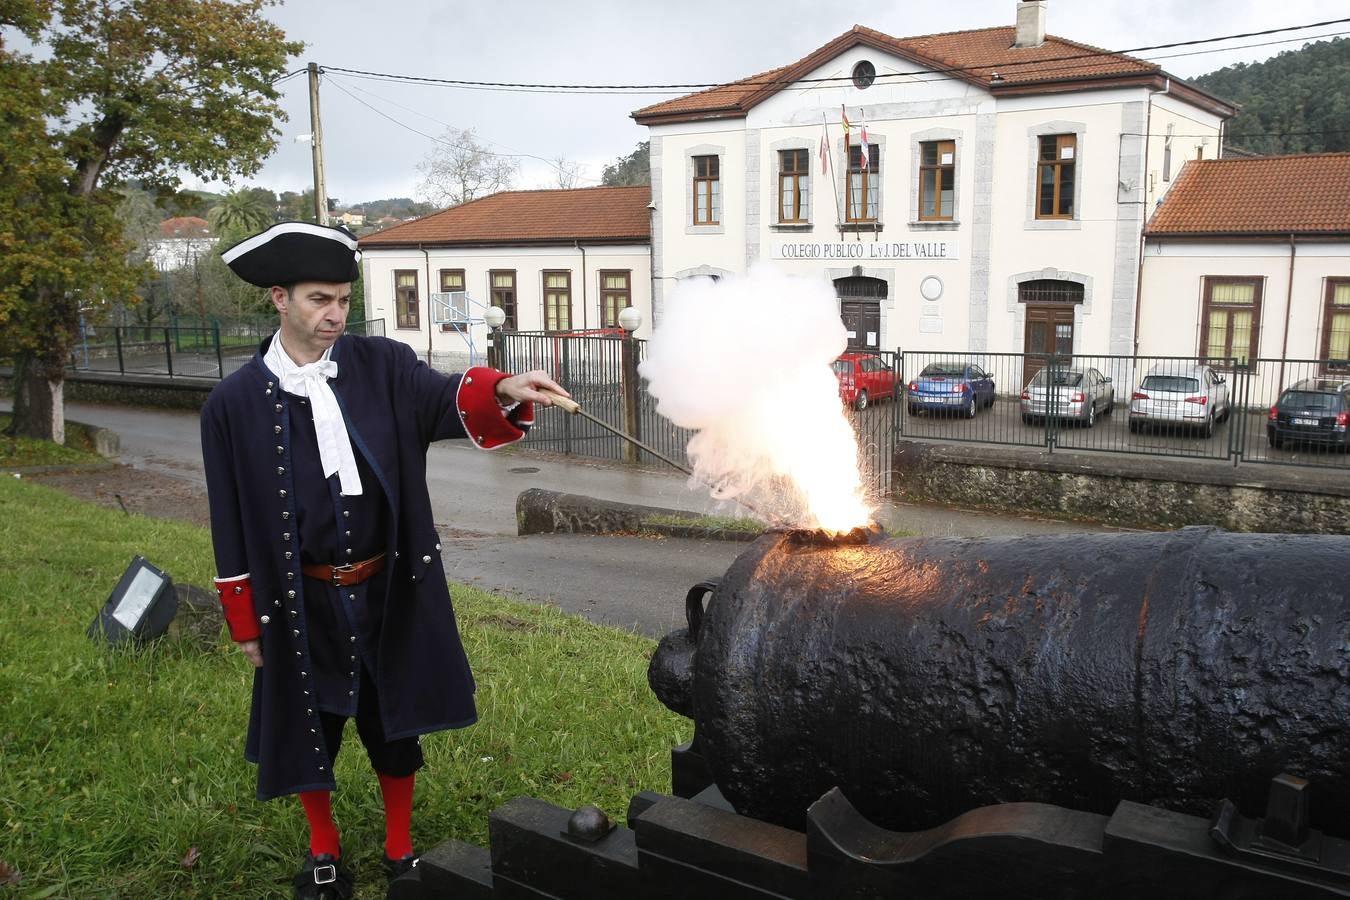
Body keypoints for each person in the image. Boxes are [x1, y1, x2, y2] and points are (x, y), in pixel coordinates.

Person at [201, 222, 567, 899]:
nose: (335, 314)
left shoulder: (383, 365)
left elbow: (445, 399)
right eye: (318, 299)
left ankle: (401, 850)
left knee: (390, 721)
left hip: (387, 586)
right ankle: (324, 851)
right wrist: (244, 620)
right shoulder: (231, 405)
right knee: (312, 725)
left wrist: (506, 387)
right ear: (278, 298)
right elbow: (226, 519)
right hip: (299, 597)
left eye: (342, 298)